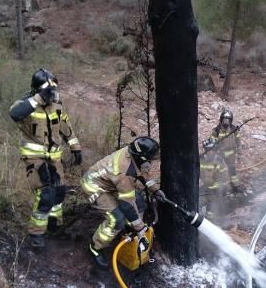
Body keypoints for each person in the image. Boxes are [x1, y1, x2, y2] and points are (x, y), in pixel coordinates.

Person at [9, 69, 82, 251]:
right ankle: (36, 234)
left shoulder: (56, 105)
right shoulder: (27, 104)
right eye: (49, 91)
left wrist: (75, 148)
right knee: (46, 194)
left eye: (54, 90)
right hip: (35, 158)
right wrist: (39, 98)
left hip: (54, 158)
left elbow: (65, 127)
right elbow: (15, 114)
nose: (53, 94)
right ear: (38, 90)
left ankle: (53, 224)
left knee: (59, 192)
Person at [80, 136, 165, 269]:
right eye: (149, 159)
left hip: (111, 183)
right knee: (117, 219)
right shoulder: (124, 171)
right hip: (94, 186)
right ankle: (95, 247)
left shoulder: (133, 155)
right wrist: (140, 228)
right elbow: (127, 204)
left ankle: (127, 231)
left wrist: (155, 190)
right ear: (142, 157)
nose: (151, 162)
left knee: (141, 205)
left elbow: (142, 173)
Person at [210, 109, 242, 192]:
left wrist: (239, 154)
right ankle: (217, 188)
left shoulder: (234, 129)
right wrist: (214, 151)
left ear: (231, 120)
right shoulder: (216, 130)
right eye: (224, 119)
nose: (226, 122)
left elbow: (238, 142)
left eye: (228, 119)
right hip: (220, 153)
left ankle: (235, 186)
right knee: (218, 170)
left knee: (232, 170)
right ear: (221, 119)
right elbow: (212, 142)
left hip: (231, 153)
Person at [199, 138, 228, 218]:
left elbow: (223, 179)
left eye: (212, 149)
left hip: (214, 193)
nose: (210, 152)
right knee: (196, 207)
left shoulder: (219, 161)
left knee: (211, 214)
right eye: (208, 149)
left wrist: (215, 188)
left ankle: (213, 221)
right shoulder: (200, 160)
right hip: (202, 192)